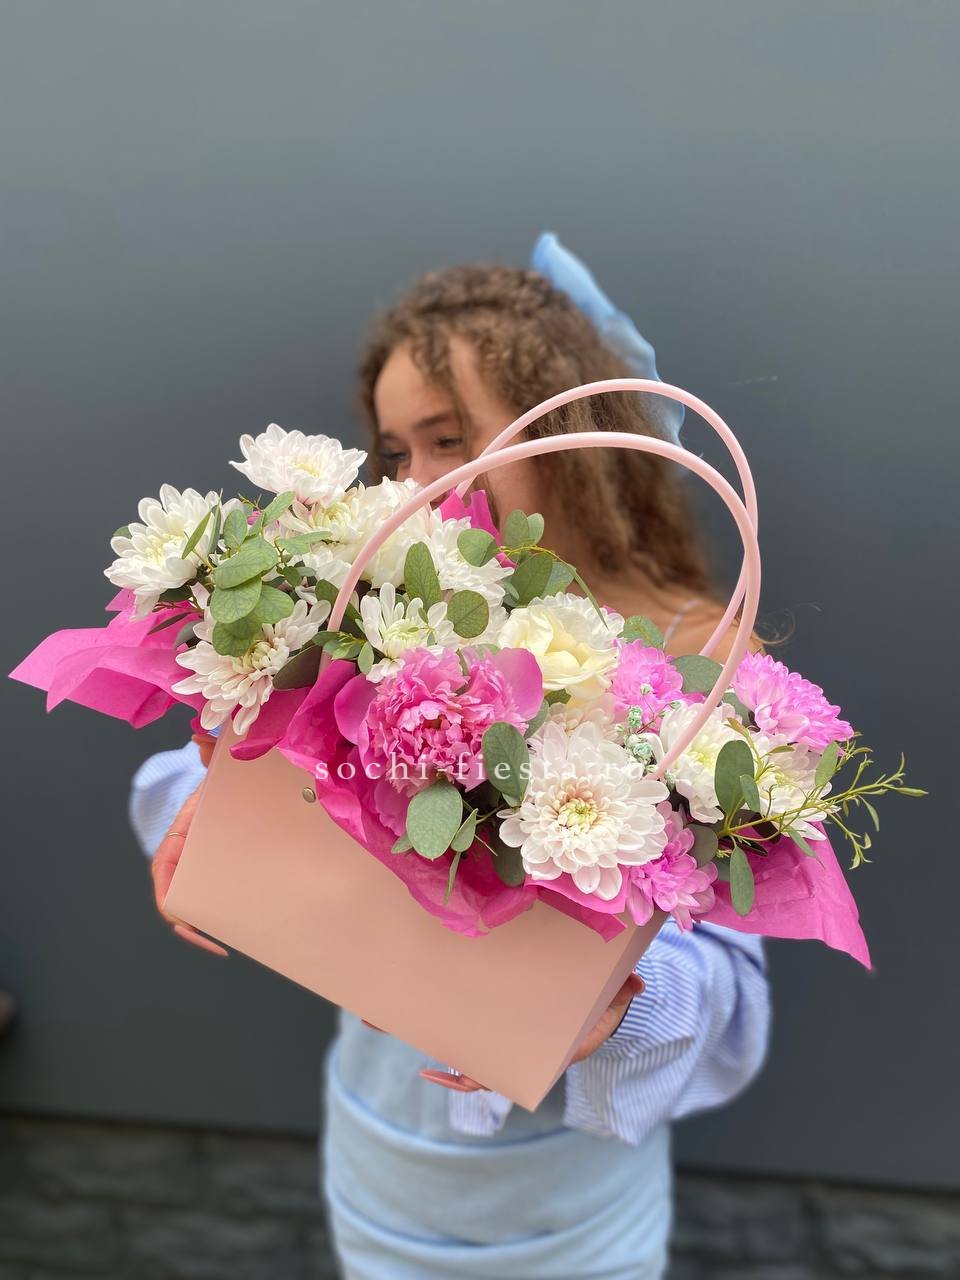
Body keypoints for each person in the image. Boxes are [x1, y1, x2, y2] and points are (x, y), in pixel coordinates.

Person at [131, 236, 771, 1279]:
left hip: (568, 1205)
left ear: (566, 434)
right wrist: (206, 812)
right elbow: (198, 772)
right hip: (381, 1156)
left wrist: (620, 998)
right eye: (395, 451)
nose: (420, 480)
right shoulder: (372, 613)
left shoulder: (699, 654)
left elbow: (735, 990)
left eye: (452, 436)